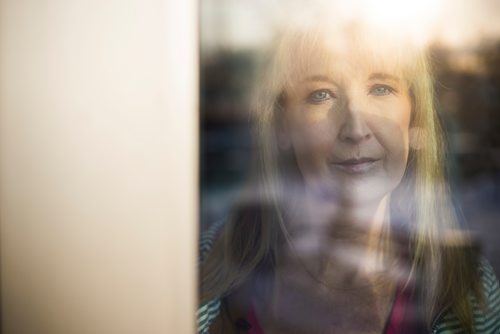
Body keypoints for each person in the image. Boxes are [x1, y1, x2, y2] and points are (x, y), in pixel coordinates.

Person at [198, 16, 500, 334]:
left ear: (414, 117)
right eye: (321, 94)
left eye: (381, 88)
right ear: (282, 125)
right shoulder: (201, 273)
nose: (356, 128)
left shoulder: (469, 289)